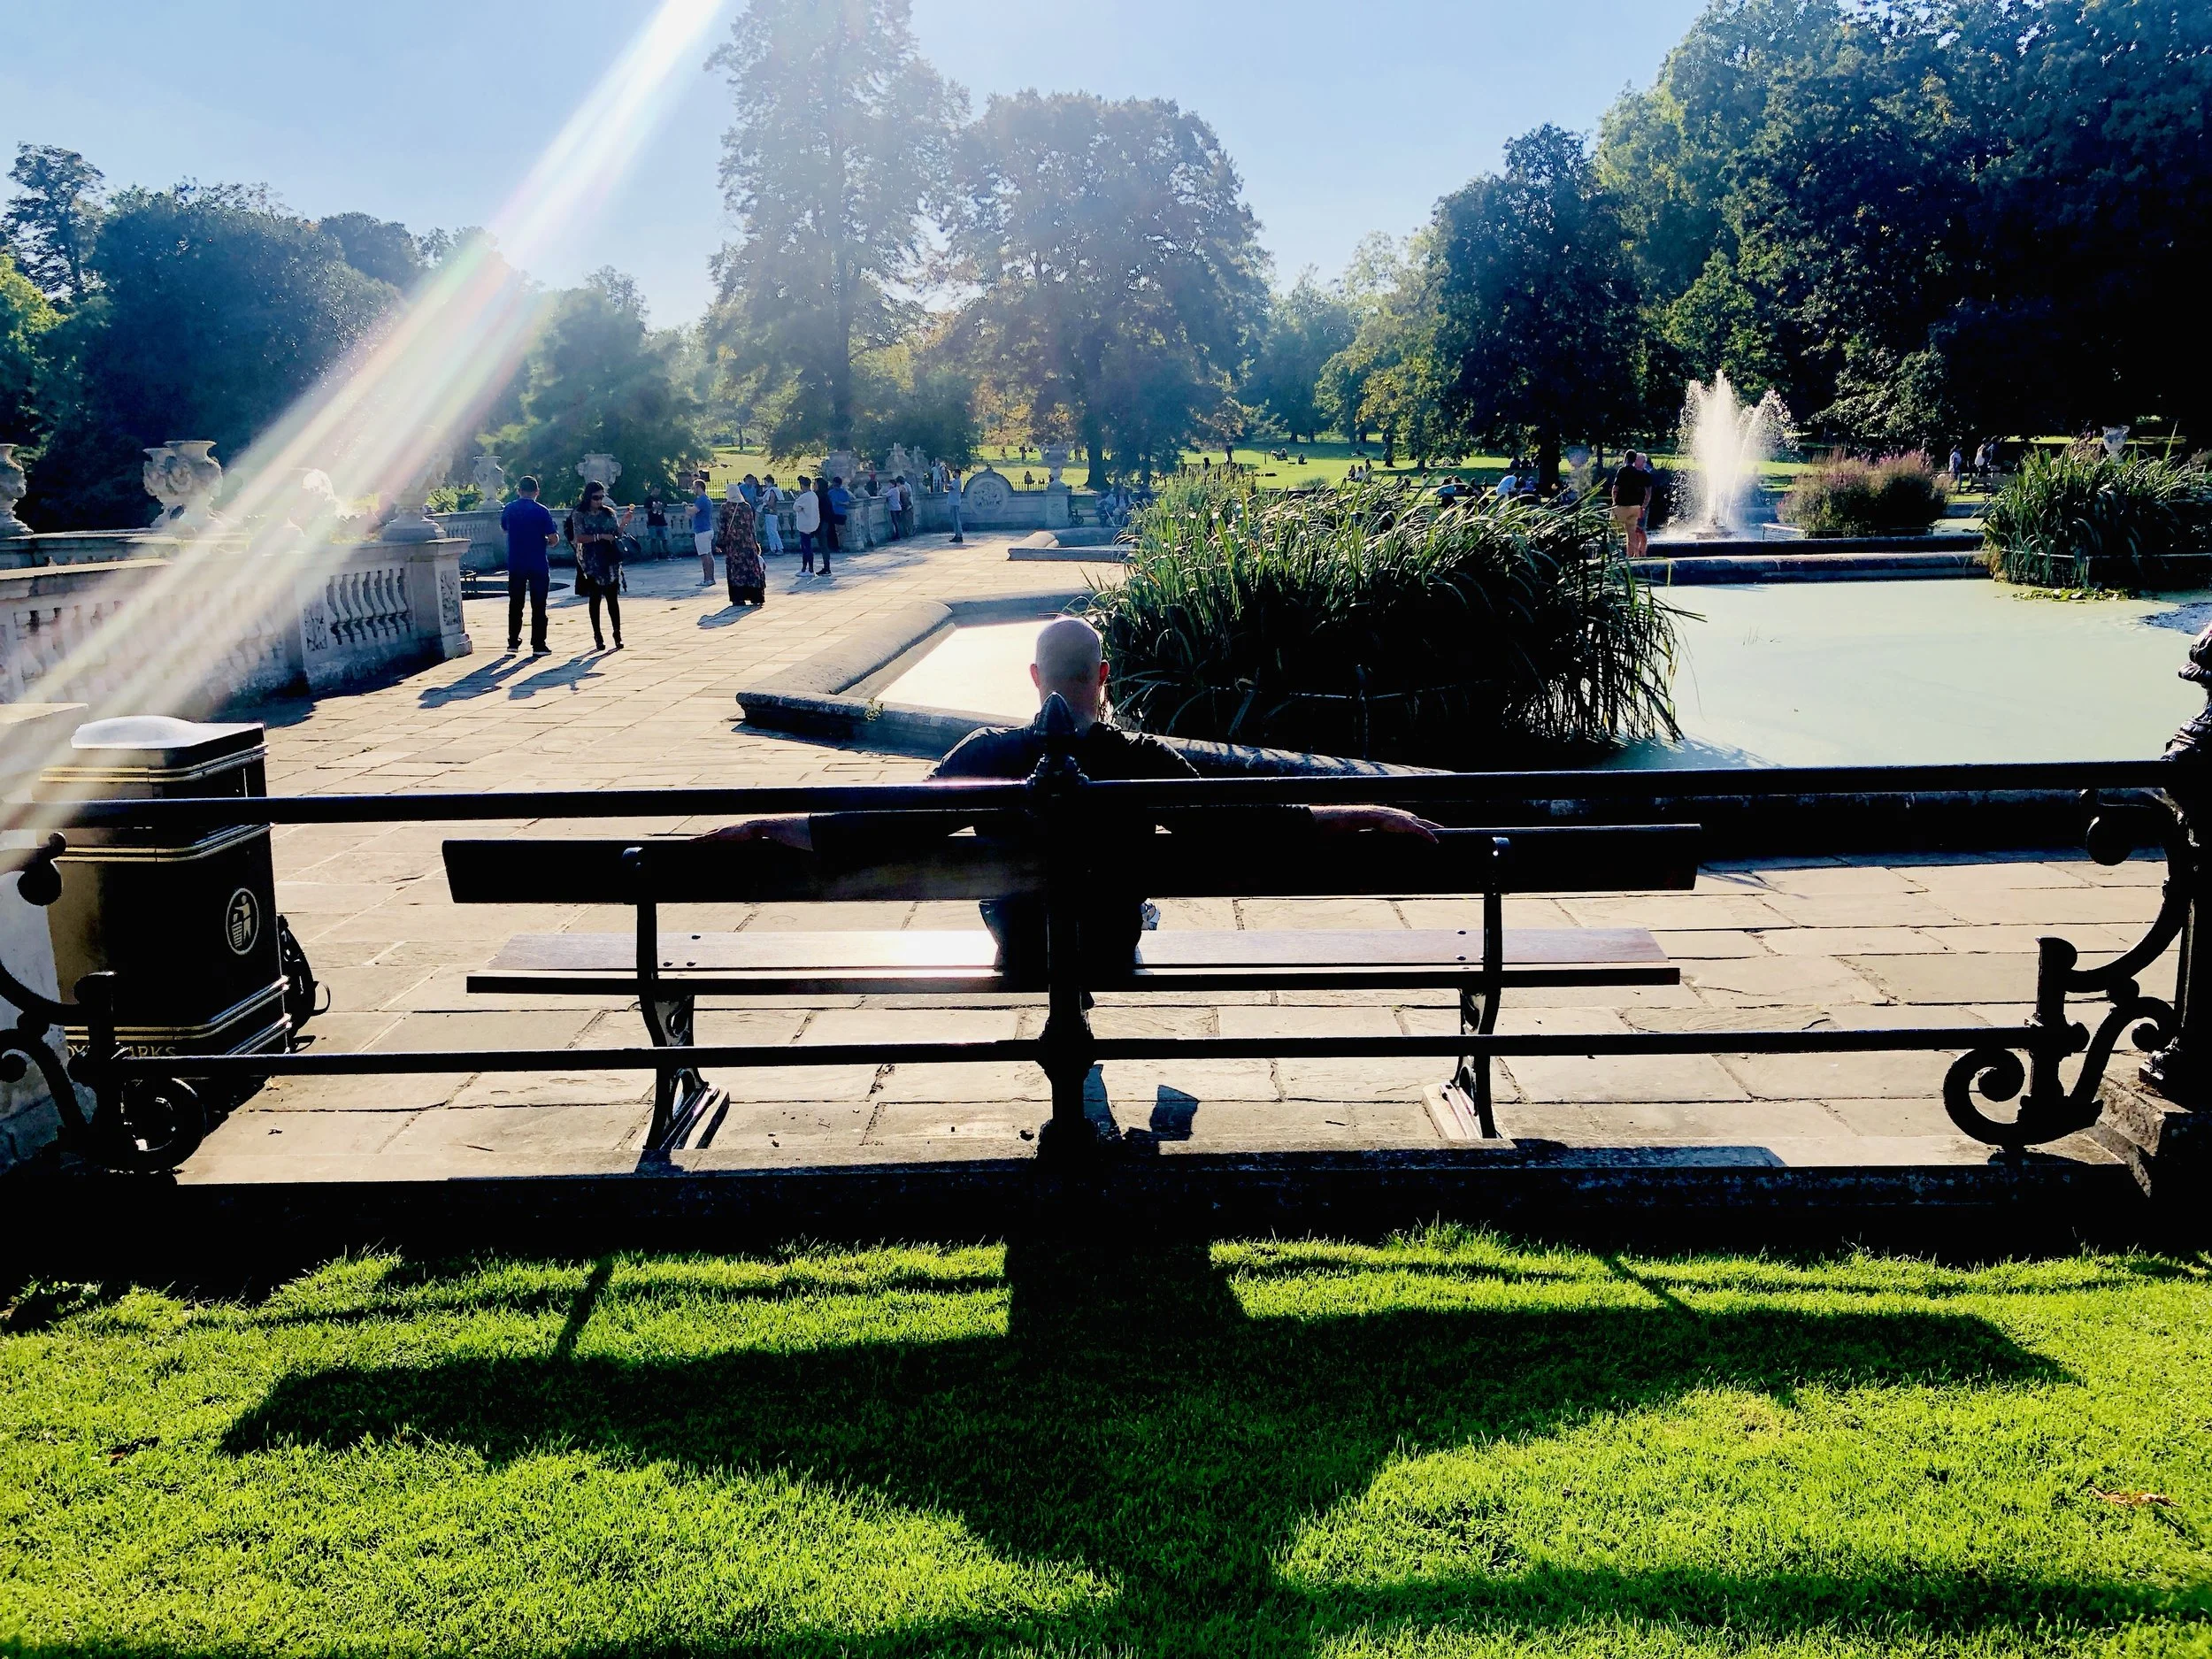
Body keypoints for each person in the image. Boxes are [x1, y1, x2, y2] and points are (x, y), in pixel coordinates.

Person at [703, 617, 1438, 987]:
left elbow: (883, 826)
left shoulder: (987, 754)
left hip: (1020, 951)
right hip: (1107, 949)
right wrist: (1363, 812)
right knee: (1127, 893)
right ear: (1103, 675)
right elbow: (1243, 826)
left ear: (1034, 677)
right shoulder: (1137, 758)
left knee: (1008, 892)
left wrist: (772, 824)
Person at [498, 474, 558, 655]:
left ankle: (513, 643)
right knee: (539, 605)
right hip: (538, 563)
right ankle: (538, 644)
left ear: (519, 491)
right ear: (537, 492)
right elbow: (553, 538)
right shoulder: (542, 511)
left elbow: (504, 528)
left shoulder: (509, 509)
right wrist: (547, 541)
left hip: (516, 562)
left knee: (515, 604)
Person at [570, 479, 631, 650]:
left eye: (601, 497)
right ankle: (597, 634)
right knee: (595, 599)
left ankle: (617, 633)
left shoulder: (608, 512)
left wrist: (624, 523)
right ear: (588, 497)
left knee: (613, 599)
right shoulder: (579, 514)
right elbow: (579, 538)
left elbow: (616, 534)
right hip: (591, 560)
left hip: (610, 558)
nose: (599, 501)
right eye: (596, 497)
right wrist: (600, 536)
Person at [717, 480, 765, 608]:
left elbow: (723, 527)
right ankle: (755, 596)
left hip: (734, 546)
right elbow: (751, 527)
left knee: (736, 572)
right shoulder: (747, 506)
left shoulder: (725, 507)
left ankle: (738, 598)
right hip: (748, 544)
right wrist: (755, 543)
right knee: (750, 570)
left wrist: (720, 543)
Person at [1609, 451, 1651, 558]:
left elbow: (1615, 488)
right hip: (1635, 507)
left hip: (1621, 505)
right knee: (1632, 534)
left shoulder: (1622, 471)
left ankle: (1611, 555)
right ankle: (1633, 556)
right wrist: (1643, 506)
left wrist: (1614, 502)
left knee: (1612, 531)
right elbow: (1647, 492)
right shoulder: (1640, 473)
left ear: (1626, 458)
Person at [691, 472, 715, 586]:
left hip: (702, 531)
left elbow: (692, 512)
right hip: (708, 529)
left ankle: (707, 579)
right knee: (709, 555)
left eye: (694, 488)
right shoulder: (708, 499)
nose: (693, 490)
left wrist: (685, 506)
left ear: (699, 488)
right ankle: (711, 578)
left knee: (704, 556)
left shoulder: (701, 500)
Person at [794, 473, 821, 571]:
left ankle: (808, 568)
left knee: (806, 548)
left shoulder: (804, 497)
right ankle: (806, 568)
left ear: (802, 485)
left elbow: (796, 507)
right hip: (813, 523)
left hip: (805, 525)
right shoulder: (813, 495)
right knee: (807, 546)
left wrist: (797, 499)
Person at [826, 474, 852, 571]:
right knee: (834, 531)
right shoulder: (830, 492)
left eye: (836, 485)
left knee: (841, 530)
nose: (835, 486)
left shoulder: (844, 492)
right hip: (833, 513)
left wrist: (840, 503)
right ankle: (835, 546)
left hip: (841, 513)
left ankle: (841, 546)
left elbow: (848, 502)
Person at [816, 475, 841, 575]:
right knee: (824, 546)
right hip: (825, 522)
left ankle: (827, 567)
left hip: (823, 523)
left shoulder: (821, 496)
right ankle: (826, 567)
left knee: (824, 545)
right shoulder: (825, 495)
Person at [758, 474, 785, 557]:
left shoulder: (772, 491)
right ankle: (773, 548)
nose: (765, 484)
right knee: (770, 531)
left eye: (766, 482)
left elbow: (771, 503)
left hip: (771, 513)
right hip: (770, 513)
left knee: (773, 531)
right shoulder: (771, 490)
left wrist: (764, 500)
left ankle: (779, 548)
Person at [643, 488, 668, 558]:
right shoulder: (648, 499)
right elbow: (646, 510)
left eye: (659, 491)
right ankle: (654, 555)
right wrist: (653, 508)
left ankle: (668, 553)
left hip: (662, 522)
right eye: (656, 491)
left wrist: (661, 507)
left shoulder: (661, 498)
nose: (657, 493)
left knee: (664, 539)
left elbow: (665, 508)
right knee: (653, 539)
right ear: (652, 490)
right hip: (652, 522)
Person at [946, 465, 964, 544]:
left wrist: (945, 482)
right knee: (955, 520)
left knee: (956, 520)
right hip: (953, 502)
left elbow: (948, 488)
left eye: (954, 473)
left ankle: (959, 535)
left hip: (955, 503)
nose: (953, 474)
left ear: (957, 474)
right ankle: (957, 535)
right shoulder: (955, 481)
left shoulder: (957, 481)